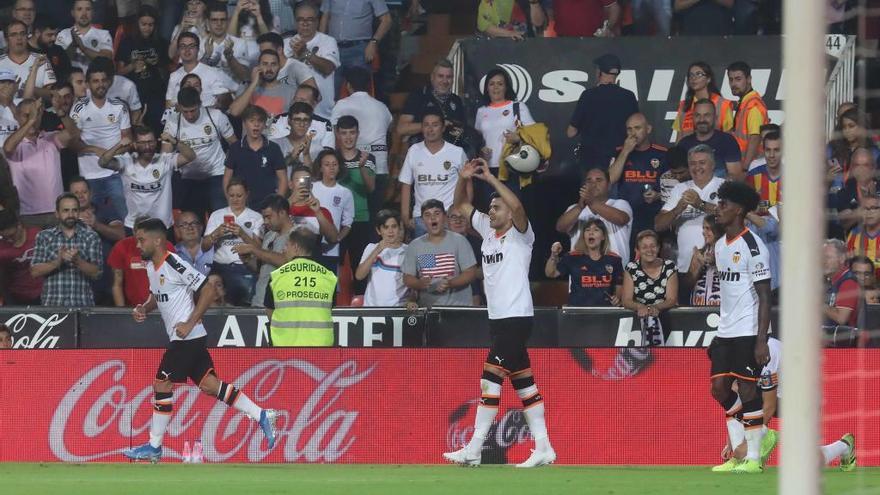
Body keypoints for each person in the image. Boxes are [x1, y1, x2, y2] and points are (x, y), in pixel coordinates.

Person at [122, 218, 278, 462]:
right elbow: (158, 295)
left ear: (157, 240)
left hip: (187, 337)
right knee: (209, 385)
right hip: (188, 337)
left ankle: (154, 446)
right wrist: (144, 307)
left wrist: (190, 321)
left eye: (141, 239)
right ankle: (261, 414)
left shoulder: (173, 262)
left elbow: (207, 289)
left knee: (162, 385)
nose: (138, 244)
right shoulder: (152, 267)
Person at [445, 157, 555, 468]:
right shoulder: (488, 231)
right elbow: (460, 206)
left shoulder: (521, 234)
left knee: (489, 381)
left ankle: (474, 448)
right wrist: (464, 178)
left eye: (496, 208)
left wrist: (491, 180)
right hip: (498, 319)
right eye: (490, 208)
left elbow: (518, 208)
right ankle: (544, 447)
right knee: (525, 385)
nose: (491, 212)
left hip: (516, 317)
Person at [707, 180, 771, 474]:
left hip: (748, 330)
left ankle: (753, 458)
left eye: (724, 204)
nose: (718, 208)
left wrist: (761, 341)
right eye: (718, 203)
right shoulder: (720, 246)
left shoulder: (753, 246)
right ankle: (740, 451)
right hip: (725, 331)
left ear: (740, 209)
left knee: (748, 391)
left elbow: (765, 295)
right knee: (719, 389)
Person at [98, 126, 196, 232]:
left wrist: (174, 141)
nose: (147, 146)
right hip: (135, 226)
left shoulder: (165, 160)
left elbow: (191, 156)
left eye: (150, 142)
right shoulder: (126, 161)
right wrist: (118, 145)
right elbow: (103, 162)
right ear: (135, 144)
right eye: (143, 143)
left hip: (163, 226)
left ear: (156, 142)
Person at [72, 62, 133, 222]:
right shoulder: (79, 108)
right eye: (95, 81)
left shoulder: (120, 107)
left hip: (116, 172)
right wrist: (96, 150)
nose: (100, 84)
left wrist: (108, 155)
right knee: (91, 222)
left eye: (103, 80)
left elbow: (128, 141)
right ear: (88, 84)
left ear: (108, 82)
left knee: (127, 219)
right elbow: (73, 143)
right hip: (89, 175)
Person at [164, 87, 237, 220]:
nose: (190, 116)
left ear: (200, 104)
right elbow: (165, 156)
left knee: (221, 217)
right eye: (185, 112)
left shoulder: (216, 116)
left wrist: (230, 169)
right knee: (192, 221)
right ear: (179, 107)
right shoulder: (173, 122)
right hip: (189, 178)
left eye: (193, 110)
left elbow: (234, 144)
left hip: (217, 174)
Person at [5, 97, 79, 228]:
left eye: (36, 115)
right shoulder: (14, 142)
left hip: (57, 212)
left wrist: (61, 113)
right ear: (17, 117)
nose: (32, 119)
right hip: (27, 215)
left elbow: (73, 134)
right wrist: (31, 120)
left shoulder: (51, 138)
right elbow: (8, 149)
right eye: (26, 115)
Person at [656, 144, 725, 275]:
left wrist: (700, 204)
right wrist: (677, 209)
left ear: (712, 165)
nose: (697, 167)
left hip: (718, 267)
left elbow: (731, 217)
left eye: (702, 163)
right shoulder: (679, 188)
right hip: (685, 268)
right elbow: (658, 225)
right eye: (692, 163)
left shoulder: (724, 185)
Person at [399, 111, 469, 238]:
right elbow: (406, 185)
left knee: (449, 257)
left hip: (450, 217)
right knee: (425, 257)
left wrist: (465, 213)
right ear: (422, 128)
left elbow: (468, 185)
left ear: (443, 128)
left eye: (435, 125)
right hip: (421, 219)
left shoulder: (457, 152)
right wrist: (405, 217)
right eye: (426, 125)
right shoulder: (414, 151)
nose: (430, 129)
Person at [265, 227, 338, 346]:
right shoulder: (329, 277)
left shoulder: (277, 276)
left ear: (296, 247)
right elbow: (329, 308)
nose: (284, 249)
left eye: (287, 245)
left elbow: (269, 310)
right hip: (321, 347)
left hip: (285, 346)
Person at [331, 67, 392, 206]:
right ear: (369, 86)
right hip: (380, 167)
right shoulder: (382, 107)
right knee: (374, 218)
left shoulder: (341, 105)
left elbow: (336, 135)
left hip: (353, 168)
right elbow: (389, 133)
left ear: (348, 86)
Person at [566, 53, 638, 171]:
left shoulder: (588, 95)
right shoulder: (629, 96)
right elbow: (635, 128)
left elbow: (571, 132)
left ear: (599, 72)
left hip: (592, 161)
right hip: (620, 159)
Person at [29, 192, 103, 306]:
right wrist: (57, 262)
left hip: (82, 306)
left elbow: (97, 273)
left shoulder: (91, 237)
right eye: (66, 210)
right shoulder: (44, 236)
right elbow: (34, 271)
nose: (70, 214)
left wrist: (78, 261)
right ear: (57, 213)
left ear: (78, 212)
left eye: (74, 210)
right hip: (52, 307)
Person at [402, 199, 477, 307]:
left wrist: (450, 283)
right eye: (427, 215)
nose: (432, 218)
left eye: (437, 213)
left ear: (445, 217)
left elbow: (471, 273)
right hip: (428, 310)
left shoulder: (460, 241)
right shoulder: (414, 246)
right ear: (422, 220)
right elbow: (407, 277)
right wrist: (420, 284)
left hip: (459, 309)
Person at [609, 113, 668, 250]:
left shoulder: (662, 153)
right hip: (626, 218)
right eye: (629, 129)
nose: (633, 133)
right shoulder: (619, 152)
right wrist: (625, 152)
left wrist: (658, 195)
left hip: (654, 216)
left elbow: (674, 189)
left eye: (637, 128)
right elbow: (610, 179)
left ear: (648, 129)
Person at [203, 178, 264, 306]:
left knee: (244, 308)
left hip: (244, 268)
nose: (235, 199)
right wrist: (216, 233)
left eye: (239, 195)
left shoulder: (256, 217)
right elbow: (204, 247)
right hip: (220, 269)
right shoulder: (217, 215)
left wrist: (242, 233)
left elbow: (259, 249)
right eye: (231, 196)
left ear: (247, 194)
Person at [556, 168, 633, 263]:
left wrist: (591, 202)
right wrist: (580, 207)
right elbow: (560, 227)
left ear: (609, 186)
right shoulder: (575, 209)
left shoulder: (620, 204)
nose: (593, 184)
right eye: (589, 180)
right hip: (582, 275)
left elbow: (621, 219)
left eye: (599, 180)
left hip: (615, 275)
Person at [335, 118, 376, 294]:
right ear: (337, 134)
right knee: (332, 268)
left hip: (360, 219)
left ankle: (361, 306)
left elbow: (370, 188)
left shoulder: (367, 158)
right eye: (344, 133)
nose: (348, 137)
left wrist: (360, 167)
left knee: (360, 269)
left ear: (358, 133)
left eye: (352, 132)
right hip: (335, 222)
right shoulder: (332, 159)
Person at [319, 0, 392, 97]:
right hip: (333, 49)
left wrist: (373, 42)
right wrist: (320, 44)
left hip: (359, 49)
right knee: (330, 92)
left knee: (359, 92)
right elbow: (325, 16)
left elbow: (386, 20)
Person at [233, 194, 294, 308]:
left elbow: (287, 262)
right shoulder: (269, 235)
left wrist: (253, 249)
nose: (265, 221)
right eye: (264, 217)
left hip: (281, 304)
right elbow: (261, 269)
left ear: (282, 213)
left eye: (268, 217)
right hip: (259, 301)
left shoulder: (297, 234)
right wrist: (247, 260)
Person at [116, 5, 170, 133]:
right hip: (133, 94)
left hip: (155, 94)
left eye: (151, 24)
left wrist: (157, 64)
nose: (147, 28)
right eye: (144, 24)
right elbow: (118, 73)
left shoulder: (161, 43)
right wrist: (132, 66)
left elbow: (167, 73)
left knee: (157, 128)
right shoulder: (127, 42)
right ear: (137, 24)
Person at [223, 104, 288, 210]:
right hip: (242, 205)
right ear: (244, 124)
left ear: (264, 125)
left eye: (260, 121)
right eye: (252, 121)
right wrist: (231, 202)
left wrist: (277, 204)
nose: (256, 125)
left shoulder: (273, 148)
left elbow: (283, 179)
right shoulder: (235, 148)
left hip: (268, 205)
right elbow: (227, 178)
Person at [546, 219, 623, 307]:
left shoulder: (614, 259)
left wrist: (617, 299)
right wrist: (554, 255)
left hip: (604, 312)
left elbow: (619, 286)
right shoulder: (572, 257)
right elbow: (550, 273)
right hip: (577, 312)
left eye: (596, 230)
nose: (591, 233)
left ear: (603, 237)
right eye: (587, 230)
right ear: (583, 236)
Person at [475, 67, 535, 176]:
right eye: (492, 84)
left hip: (513, 166)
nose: (496, 87)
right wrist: (481, 150)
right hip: (487, 169)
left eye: (500, 84)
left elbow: (534, 136)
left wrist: (518, 138)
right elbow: (478, 139)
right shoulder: (481, 111)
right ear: (487, 88)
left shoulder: (518, 107)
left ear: (506, 87)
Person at [622, 230, 678, 344]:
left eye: (653, 246)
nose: (649, 250)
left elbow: (672, 299)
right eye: (644, 247)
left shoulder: (669, 266)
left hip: (666, 320)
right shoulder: (631, 268)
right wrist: (639, 306)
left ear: (658, 248)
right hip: (638, 323)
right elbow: (626, 300)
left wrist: (656, 308)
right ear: (638, 250)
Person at [284, 2, 340, 117]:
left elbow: (328, 68)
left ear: (317, 21)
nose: (305, 23)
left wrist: (305, 53)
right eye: (300, 19)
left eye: (310, 19)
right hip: (292, 113)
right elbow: (282, 76)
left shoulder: (328, 41)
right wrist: (294, 57)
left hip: (322, 113)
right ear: (295, 22)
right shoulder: (285, 44)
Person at [397, 59, 468, 148]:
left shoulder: (456, 100)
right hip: (421, 153)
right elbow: (402, 128)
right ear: (432, 77)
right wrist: (435, 125)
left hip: (449, 154)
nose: (445, 81)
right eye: (440, 76)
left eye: (448, 77)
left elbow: (462, 130)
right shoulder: (418, 96)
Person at [108, 217, 176, 307]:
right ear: (133, 231)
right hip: (132, 308)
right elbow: (117, 284)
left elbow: (173, 281)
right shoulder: (122, 247)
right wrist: (122, 314)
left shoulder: (166, 246)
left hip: (162, 307)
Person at [165, 32, 236, 110]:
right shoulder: (174, 76)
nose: (187, 50)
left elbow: (225, 102)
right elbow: (168, 105)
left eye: (191, 46)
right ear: (178, 50)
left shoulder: (212, 73)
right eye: (183, 46)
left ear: (198, 49)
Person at [310, 149, 354, 273]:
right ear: (320, 168)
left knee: (329, 288)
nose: (331, 168)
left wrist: (338, 239)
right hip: (310, 246)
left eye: (335, 164)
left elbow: (348, 223)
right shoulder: (312, 188)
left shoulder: (345, 193)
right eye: (327, 164)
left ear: (339, 167)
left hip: (331, 249)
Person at [677, 99, 742, 179]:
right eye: (698, 115)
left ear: (715, 118)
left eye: (707, 115)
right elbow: (679, 176)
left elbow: (735, 176)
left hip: (721, 190)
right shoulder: (683, 144)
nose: (702, 120)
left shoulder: (727, 141)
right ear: (693, 118)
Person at [356, 209, 408, 306]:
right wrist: (378, 249)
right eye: (386, 227)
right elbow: (359, 276)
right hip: (371, 309)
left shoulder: (408, 251)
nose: (390, 231)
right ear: (378, 231)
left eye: (394, 226)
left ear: (399, 228)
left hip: (397, 310)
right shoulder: (371, 248)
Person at [672, 62, 734, 142]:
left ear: (708, 79)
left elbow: (728, 138)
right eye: (691, 75)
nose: (694, 78)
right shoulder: (684, 105)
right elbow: (679, 137)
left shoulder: (722, 104)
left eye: (699, 74)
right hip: (687, 153)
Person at [229, 50, 298, 119]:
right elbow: (234, 112)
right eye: (265, 64)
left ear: (279, 67)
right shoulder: (246, 87)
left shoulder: (291, 91)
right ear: (258, 66)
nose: (269, 68)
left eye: (273, 64)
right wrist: (253, 84)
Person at [287, 165, 339, 253]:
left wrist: (318, 212)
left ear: (310, 186)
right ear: (290, 185)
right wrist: (289, 202)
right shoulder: (281, 209)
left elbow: (333, 239)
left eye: (305, 181)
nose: (301, 184)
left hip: (313, 260)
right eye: (298, 180)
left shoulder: (321, 211)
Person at [727, 61, 769, 170]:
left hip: (753, 168)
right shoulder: (745, 103)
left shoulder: (753, 106)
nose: (733, 84)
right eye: (731, 79)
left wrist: (745, 168)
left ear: (749, 79)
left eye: (738, 79)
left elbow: (755, 138)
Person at [0, 20, 56, 102]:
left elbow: (53, 94)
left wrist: (30, 89)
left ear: (27, 36)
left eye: (22, 34)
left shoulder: (41, 60)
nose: (19, 38)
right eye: (13, 34)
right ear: (6, 39)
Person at [199, 3, 256, 84]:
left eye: (222, 19)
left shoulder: (240, 43)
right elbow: (194, 75)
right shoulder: (200, 44)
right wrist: (206, 56)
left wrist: (230, 57)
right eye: (214, 20)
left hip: (234, 94)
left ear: (227, 21)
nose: (219, 23)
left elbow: (245, 76)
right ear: (207, 22)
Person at [270, 101, 328, 177]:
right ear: (289, 121)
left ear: (310, 123)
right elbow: (270, 174)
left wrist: (306, 155)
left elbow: (315, 178)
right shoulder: (275, 145)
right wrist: (292, 157)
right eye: (297, 120)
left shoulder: (318, 148)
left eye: (305, 120)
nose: (301, 124)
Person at [55, 0, 113, 72]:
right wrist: (73, 45)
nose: (84, 13)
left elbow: (107, 59)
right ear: (73, 13)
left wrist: (83, 48)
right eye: (79, 9)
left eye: (88, 9)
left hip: (95, 81)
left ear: (93, 12)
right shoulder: (63, 34)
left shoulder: (103, 34)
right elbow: (58, 61)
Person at [0, 208, 43, 304]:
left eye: (12, 235)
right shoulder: (2, 248)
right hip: (16, 297)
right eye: (5, 237)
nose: (9, 240)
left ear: (19, 225)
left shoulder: (37, 235)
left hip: (43, 293)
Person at [834, 148, 878, 233]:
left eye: (866, 165)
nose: (861, 169)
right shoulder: (844, 192)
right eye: (857, 165)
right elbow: (845, 222)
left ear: (873, 167)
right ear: (851, 168)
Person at [684, 214, 724, 306]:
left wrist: (715, 263)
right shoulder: (699, 253)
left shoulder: (729, 252)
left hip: (721, 307)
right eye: (703, 228)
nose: (703, 232)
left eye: (708, 228)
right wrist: (698, 268)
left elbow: (734, 280)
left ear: (718, 230)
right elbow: (687, 285)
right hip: (698, 305)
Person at [824, 238, 859, 328]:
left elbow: (841, 318)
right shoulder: (831, 281)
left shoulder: (849, 282)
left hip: (843, 341)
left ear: (842, 258)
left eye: (827, 257)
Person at [477, 0, 547, 39]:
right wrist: (510, 34)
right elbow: (485, 27)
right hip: (498, 47)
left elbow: (539, 23)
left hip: (527, 45)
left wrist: (534, 2)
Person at [746, 132, 782, 208]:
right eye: (768, 150)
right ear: (763, 151)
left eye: (776, 150)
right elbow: (747, 207)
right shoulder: (753, 174)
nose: (771, 155)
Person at [548, 0, 620, 37]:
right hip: (563, 38)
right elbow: (548, 9)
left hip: (593, 39)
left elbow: (613, 7)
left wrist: (607, 28)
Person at [846, 194, 880, 270]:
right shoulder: (854, 234)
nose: (869, 212)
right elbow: (848, 264)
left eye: (874, 208)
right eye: (865, 208)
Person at [174, 210, 213, 276]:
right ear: (177, 231)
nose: (190, 227)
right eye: (184, 225)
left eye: (194, 223)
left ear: (201, 227)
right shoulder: (173, 252)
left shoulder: (214, 247)